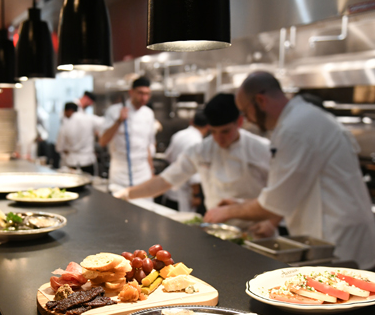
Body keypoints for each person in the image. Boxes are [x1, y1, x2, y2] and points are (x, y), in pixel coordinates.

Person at [205, 71, 375, 269]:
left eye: (246, 113)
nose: (247, 120)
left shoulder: (295, 130)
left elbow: (274, 204)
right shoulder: (302, 117)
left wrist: (228, 211)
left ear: (260, 101)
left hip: (335, 238)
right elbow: (291, 190)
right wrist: (240, 203)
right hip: (334, 232)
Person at [115, 93, 279, 238]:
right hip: (217, 232)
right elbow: (165, 180)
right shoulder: (201, 150)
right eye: (213, 132)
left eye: (225, 132)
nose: (219, 139)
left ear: (240, 122)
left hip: (257, 232)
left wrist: (272, 222)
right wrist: (126, 193)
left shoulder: (262, 148)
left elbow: (286, 192)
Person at [100, 77, 156, 194]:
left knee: (145, 208)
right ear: (131, 92)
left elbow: (148, 145)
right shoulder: (114, 111)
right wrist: (119, 121)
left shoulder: (149, 114)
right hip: (120, 171)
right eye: (140, 93)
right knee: (119, 208)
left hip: (142, 171)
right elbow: (103, 141)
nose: (144, 98)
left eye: (147, 94)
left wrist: (151, 171)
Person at [161, 112, 209, 212]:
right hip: (184, 194)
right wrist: (196, 195)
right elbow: (194, 176)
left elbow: (168, 157)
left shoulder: (179, 134)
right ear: (208, 126)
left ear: (192, 122)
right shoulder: (197, 142)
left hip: (169, 189)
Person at [56, 102, 104, 176]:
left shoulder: (65, 124)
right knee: (89, 186)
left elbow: (59, 148)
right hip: (88, 161)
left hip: (72, 163)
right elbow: (104, 123)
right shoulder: (89, 118)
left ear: (69, 111)